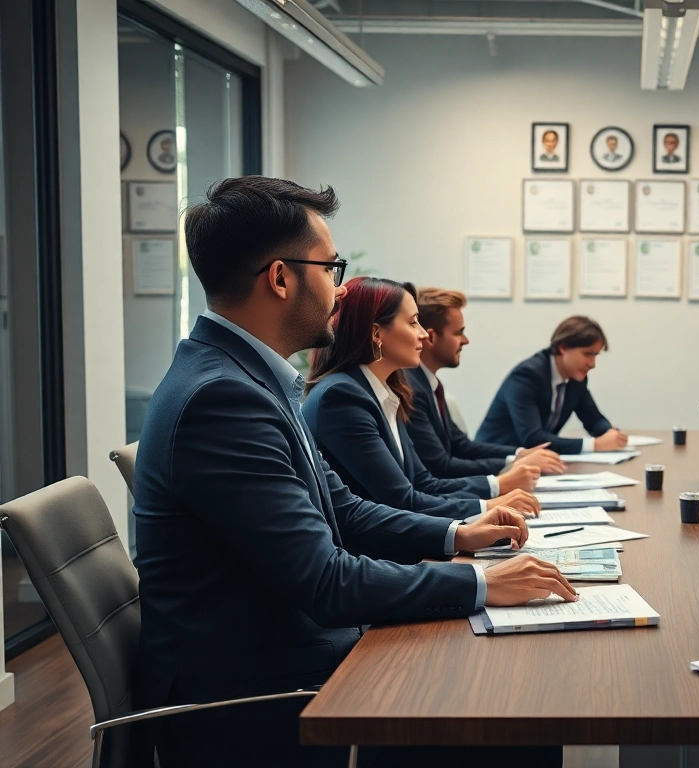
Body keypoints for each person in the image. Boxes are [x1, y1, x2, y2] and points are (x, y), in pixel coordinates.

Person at [133, 176, 574, 768]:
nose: (340, 290)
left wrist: (459, 536)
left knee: (508, 690)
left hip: (290, 654)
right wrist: (480, 583)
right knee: (516, 714)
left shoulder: (247, 378)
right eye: (330, 268)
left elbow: (343, 509)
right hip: (258, 695)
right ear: (280, 278)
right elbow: (325, 581)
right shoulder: (223, 399)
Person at [303, 277, 543, 518]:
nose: (423, 334)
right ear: (376, 334)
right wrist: (489, 505)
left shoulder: (386, 392)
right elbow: (402, 500)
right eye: (413, 322)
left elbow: (423, 483)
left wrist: (492, 499)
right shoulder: (341, 397)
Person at [407, 287, 565, 483]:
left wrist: (519, 454)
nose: (465, 341)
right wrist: (514, 465)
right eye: (458, 333)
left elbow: (460, 445)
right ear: (430, 337)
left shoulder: (429, 383)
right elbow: (441, 467)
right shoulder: (412, 389)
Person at [476, 315, 627, 454]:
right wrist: (594, 445)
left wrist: (610, 433)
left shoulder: (575, 378)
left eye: (595, 355)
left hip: (535, 463)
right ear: (563, 347)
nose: (592, 364)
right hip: (495, 461)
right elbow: (533, 438)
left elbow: (594, 420)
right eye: (588, 354)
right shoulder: (527, 376)